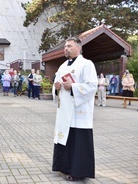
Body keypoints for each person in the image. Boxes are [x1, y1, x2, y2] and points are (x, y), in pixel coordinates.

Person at [52, 37, 97, 181]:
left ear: (78, 48)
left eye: (69, 46)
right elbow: (56, 84)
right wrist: (56, 88)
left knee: (77, 141)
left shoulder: (86, 64)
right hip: (64, 110)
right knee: (65, 138)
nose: (66, 48)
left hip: (78, 112)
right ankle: (64, 167)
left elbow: (91, 86)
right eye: (65, 46)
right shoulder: (63, 66)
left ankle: (78, 172)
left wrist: (73, 87)